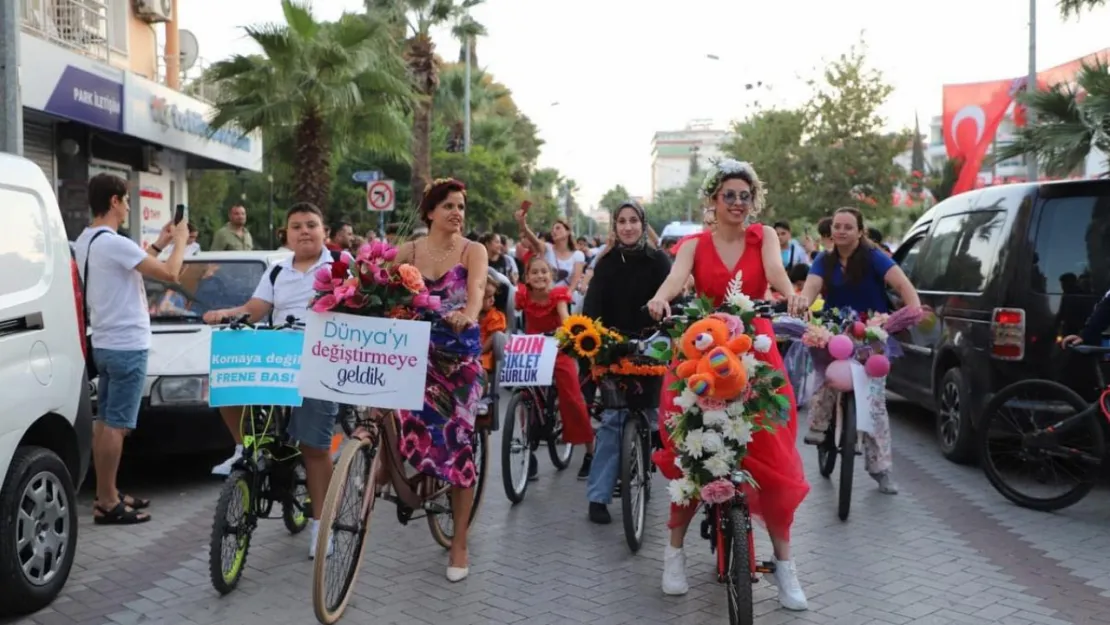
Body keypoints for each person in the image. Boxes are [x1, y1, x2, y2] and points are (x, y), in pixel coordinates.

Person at [645, 159, 810, 610]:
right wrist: (661, 298)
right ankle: (673, 554)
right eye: (729, 196)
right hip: (702, 354)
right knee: (691, 452)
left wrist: (792, 295)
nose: (738, 203)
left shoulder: (765, 238)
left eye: (745, 196)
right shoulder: (693, 245)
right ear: (713, 201)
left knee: (772, 455)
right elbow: (675, 281)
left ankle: (786, 569)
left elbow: (776, 275)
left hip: (754, 351)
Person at [202, 202, 345, 558]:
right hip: (280, 356)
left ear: (324, 231)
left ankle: (321, 526)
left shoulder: (342, 267)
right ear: (287, 233)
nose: (304, 231)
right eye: (296, 226)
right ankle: (241, 446)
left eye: (311, 224)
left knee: (314, 448)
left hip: (319, 363)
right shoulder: (278, 271)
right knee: (228, 369)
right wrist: (226, 314)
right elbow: (255, 308)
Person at [77, 173, 190, 525]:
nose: (128, 207)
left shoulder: (87, 240)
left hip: (107, 341)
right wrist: (181, 242)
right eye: (125, 200)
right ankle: (108, 502)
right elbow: (171, 274)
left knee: (105, 421)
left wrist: (159, 242)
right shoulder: (114, 241)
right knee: (117, 424)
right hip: (128, 344)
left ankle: (105, 493)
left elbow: (134, 267)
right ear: (113, 201)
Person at [393, 178, 488, 582]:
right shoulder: (407, 251)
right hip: (412, 351)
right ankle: (391, 472)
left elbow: (477, 290)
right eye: (448, 205)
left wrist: (467, 313)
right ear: (429, 211)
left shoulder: (473, 250)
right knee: (385, 416)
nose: (457, 213)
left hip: (456, 356)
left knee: (458, 443)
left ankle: (460, 541)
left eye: (461, 206)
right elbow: (378, 288)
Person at [798, 207, 921, 495]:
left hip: (871, 329)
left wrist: (912, 308)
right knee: (825, 375)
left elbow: (903, 285)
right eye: (837, 227)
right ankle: (818, 426)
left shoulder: (874, 256)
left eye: (848, 227)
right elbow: (810, 289)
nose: (841, 231)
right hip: (834, 329)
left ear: (860, 231)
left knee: (875, 402)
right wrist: (801, 306)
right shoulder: (823, 260)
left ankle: (881, 470)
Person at [581, 200, 670, 524]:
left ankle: (643, 469)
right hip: (613, 346)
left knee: (650, 414)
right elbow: (591, 306)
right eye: (622, 221)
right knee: (612, 422)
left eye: (634, 220)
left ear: (642, 224)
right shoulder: (606, 263)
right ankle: (598, 496)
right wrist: (594, 336)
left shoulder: (659, 260)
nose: (629, 227)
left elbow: (675, 297)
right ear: (615, 227)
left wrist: (671, 323)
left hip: (652, 344)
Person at [514, 256, 595, 479]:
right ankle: (528, 450)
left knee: (572, 397)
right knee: (525, 397)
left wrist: (570, 332)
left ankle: (590, 452)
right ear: (527, 277)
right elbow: (509, 312)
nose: (540, 276)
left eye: (544, 272)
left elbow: (565, 317)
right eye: (535, 272)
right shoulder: (522, 295)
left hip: (558, 348)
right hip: (533, 349)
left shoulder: (557, 295)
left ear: (551, 276)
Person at [515, 212, 586, 293]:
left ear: (568, 232)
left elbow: (575, 280)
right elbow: (535, 241)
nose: (554, 231)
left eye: (558, 228)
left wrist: (566, 296)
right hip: (546, 297)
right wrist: (523, 225)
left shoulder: (578, 255)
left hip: (566, 299)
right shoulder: (547, 248)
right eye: (552, 230)